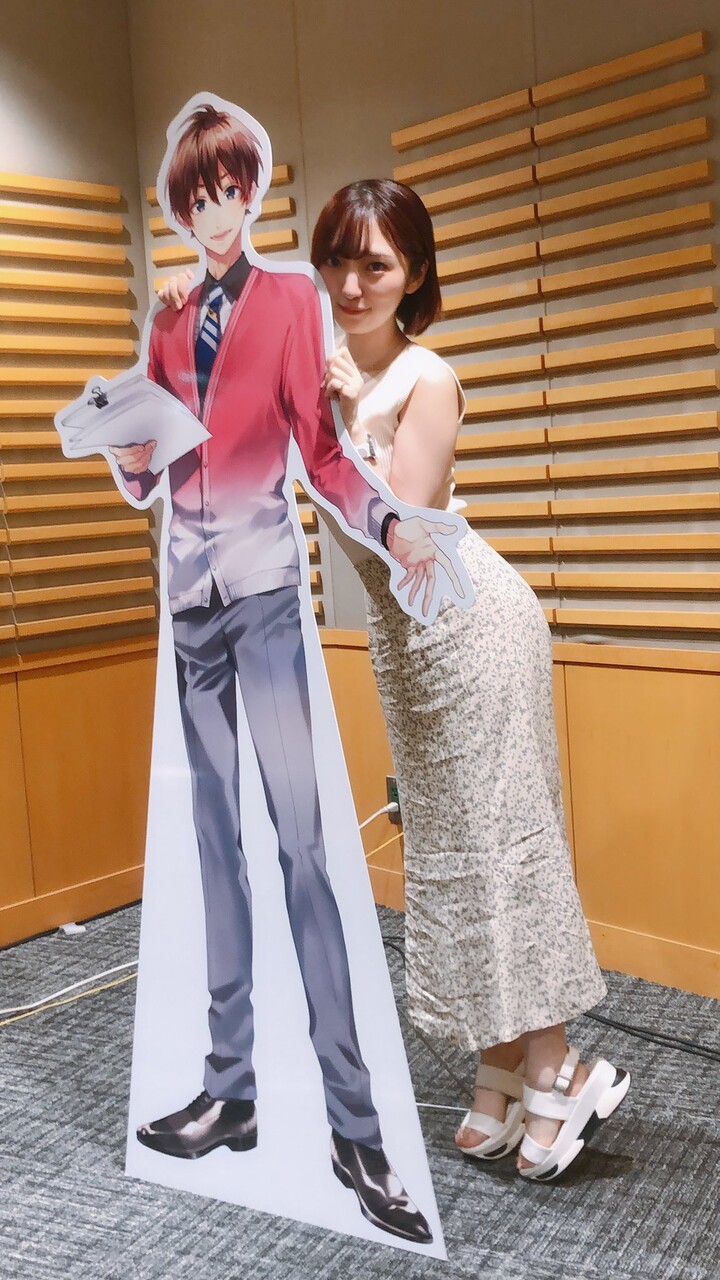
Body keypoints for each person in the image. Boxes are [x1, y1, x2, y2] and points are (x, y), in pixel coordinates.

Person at [159, 176, 630, 1184]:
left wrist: (337, 414)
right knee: (450, 851)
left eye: (375, 264)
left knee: (502, 841)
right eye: (336, 261)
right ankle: (500, 1064)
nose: (351, 283)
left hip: (473, 624)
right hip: (409, 646)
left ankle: (557, 1062)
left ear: (414, 273)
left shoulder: (426, 377)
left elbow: (402, 525)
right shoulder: (313, 369)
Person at [106, 104, 473, 1245]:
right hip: (189, 606)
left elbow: (318, 452)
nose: (213, 208)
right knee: (214, 843)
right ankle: (231, 1090)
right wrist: (127, 454)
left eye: (228, 188)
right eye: (195, 196)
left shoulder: (290, 302)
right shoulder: (169, 318)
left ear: (252, 189)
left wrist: (394, 521)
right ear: (181, 207)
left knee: (305, 852)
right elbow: (148, 473)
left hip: (265, 599)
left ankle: (357, 1130)